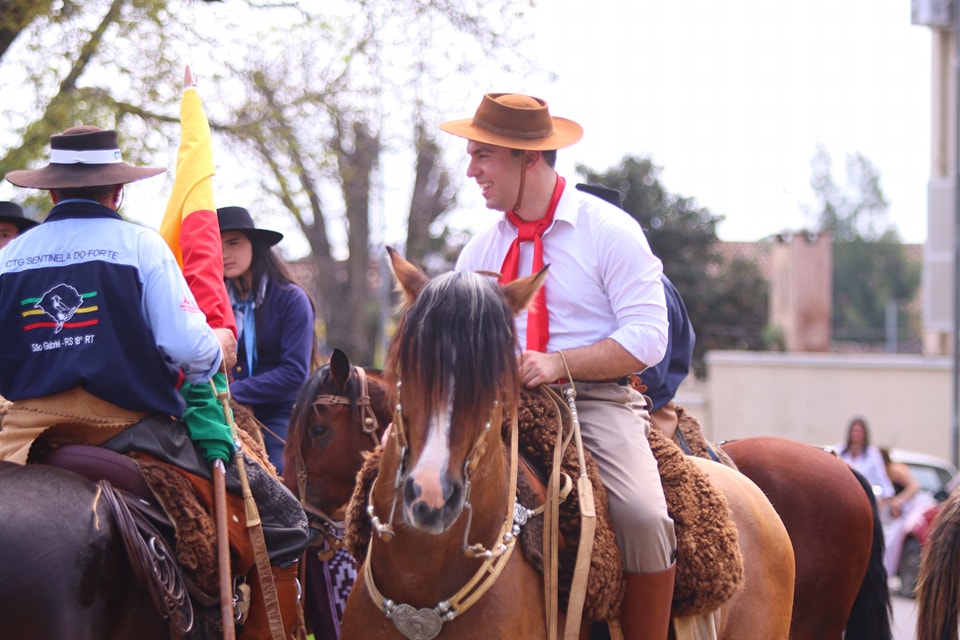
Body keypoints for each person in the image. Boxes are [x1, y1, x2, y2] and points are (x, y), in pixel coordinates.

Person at [0, 125, 307, 636]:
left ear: (50, 191)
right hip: (127, 430)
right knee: (283, 519)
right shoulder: (139, 246)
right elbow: (189, 349)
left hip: (19, 437)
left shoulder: (8, 259)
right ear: (117, 190)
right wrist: (218, 346)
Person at [443, 93, 676, 639]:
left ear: (529, 158)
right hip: (490, 403)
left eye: (483, 156)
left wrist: (558, 363)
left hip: (593, 402)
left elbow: (649, 337)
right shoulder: (476, 251)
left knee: (644, 515)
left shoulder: (610, 231)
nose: (471, 170)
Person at [219, 205, 316, 474]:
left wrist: (234, 392)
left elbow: (294, 372)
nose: (225, 253)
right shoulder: (212, 302)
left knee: (278, 476)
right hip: (219, 408)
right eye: (217, 244)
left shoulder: (291, 299)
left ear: (255, 245)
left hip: (276, 412)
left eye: (234, 243)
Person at [836, 417, 895, 499]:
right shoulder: (840, 450)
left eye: (859, 432)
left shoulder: (873, 454)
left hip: (864, 498)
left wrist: (886, 498)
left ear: (865, 434)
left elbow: (882, 478)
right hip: (842, 496)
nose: (856, 435)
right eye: (854, 431)